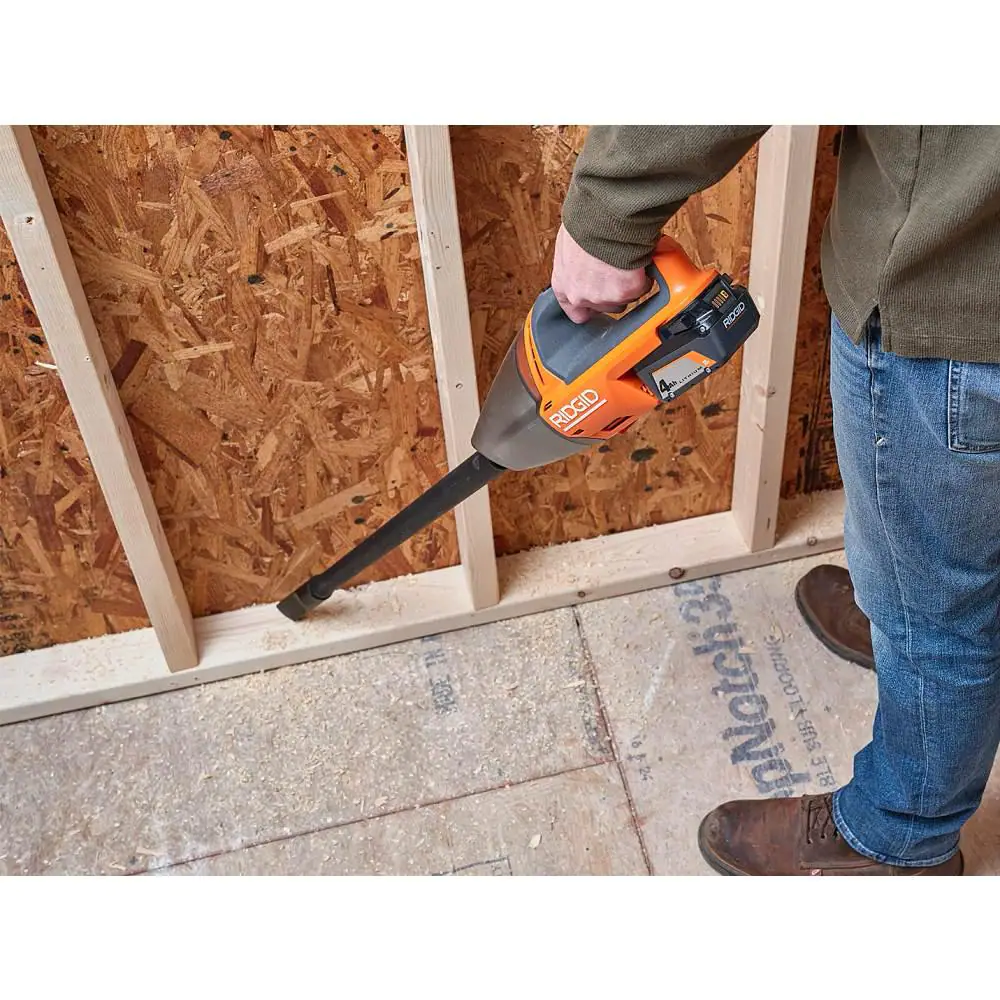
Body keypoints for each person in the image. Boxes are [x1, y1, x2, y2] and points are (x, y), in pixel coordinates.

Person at [552, 126, 1000, 876]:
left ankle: (898, 839)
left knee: (935, 615)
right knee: (952, 561)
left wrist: (608, 211)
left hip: (957, 302)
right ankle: (934, 649)